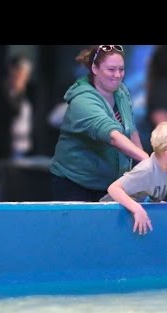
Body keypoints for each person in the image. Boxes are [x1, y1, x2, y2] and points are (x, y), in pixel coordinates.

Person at [50, 45, 149, 202]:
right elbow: (113, 136)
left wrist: (145, 166)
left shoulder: (121, 92)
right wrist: (149, 161)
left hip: (110, 183)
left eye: (121, 69)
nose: (117, 75)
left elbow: (131, 131)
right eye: (111, 69)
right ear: (95, 69)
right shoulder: (82, 100)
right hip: (75, 184)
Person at [102, 121, 167, 235]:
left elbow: (160, 178)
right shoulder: (145, 170)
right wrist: (136, 208)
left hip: (131, 218)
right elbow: (113, 188)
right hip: (108, 216)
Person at [0, 54, 35, 195]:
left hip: (23, 146)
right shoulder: (1, 91)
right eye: (21, 73)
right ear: (12, 71)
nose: (24, 77)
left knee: (19, 184)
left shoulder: (28, 92)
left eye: (26, 74)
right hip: (4, 146)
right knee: (1, 183)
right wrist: (18, 92)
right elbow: (11, 112)